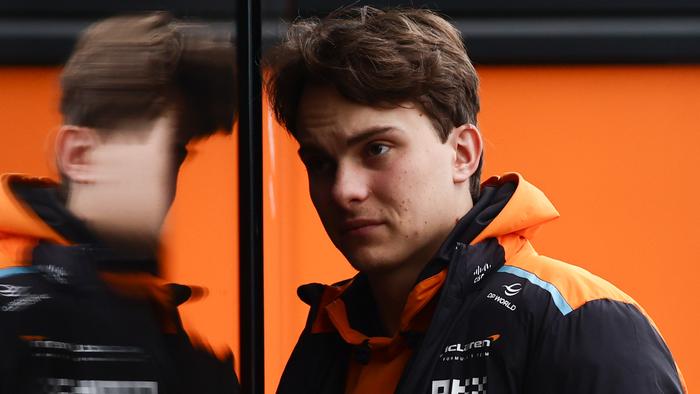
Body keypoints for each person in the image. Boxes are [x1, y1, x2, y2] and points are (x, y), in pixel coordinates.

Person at [264, 6, 686, 394]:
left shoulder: (579, 320)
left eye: (376, 149)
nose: (343, 190)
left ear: (463, 154)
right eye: (319, 162)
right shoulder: (328, 336)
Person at [0, 13, 239, 393]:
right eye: (169, 150)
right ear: (79, 155)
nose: (174, 178)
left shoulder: (163, 332)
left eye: (182, 154)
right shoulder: (13, 313)